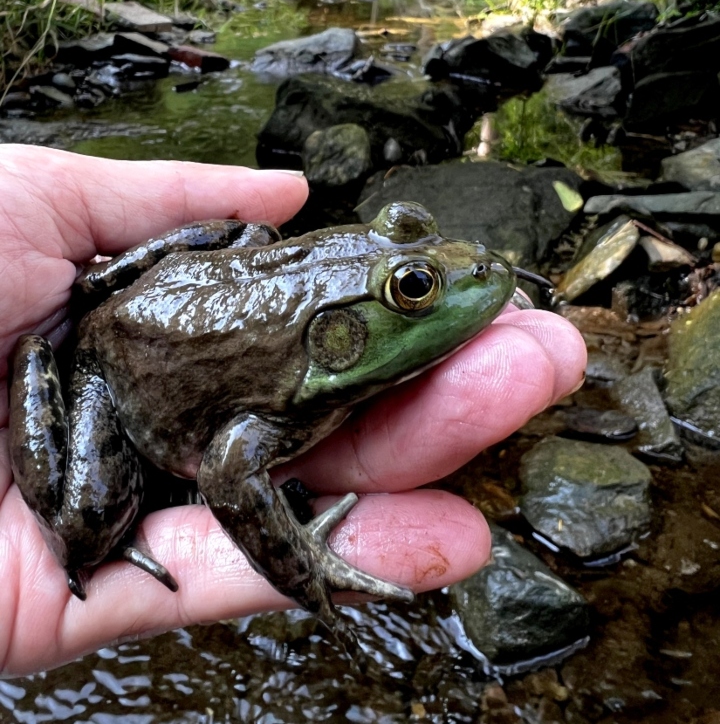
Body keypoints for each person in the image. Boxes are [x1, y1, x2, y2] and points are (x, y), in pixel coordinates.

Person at [0, 144, 586, 677]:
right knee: (85, 527)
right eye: (413, 288)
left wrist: (99, 282)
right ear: (342, 335)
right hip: (105, 372)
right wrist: (303, 567)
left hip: (174, 294)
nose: (476, 263)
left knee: (254, 232)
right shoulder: (273, 406)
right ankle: (80, 502)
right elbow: (225, 470)